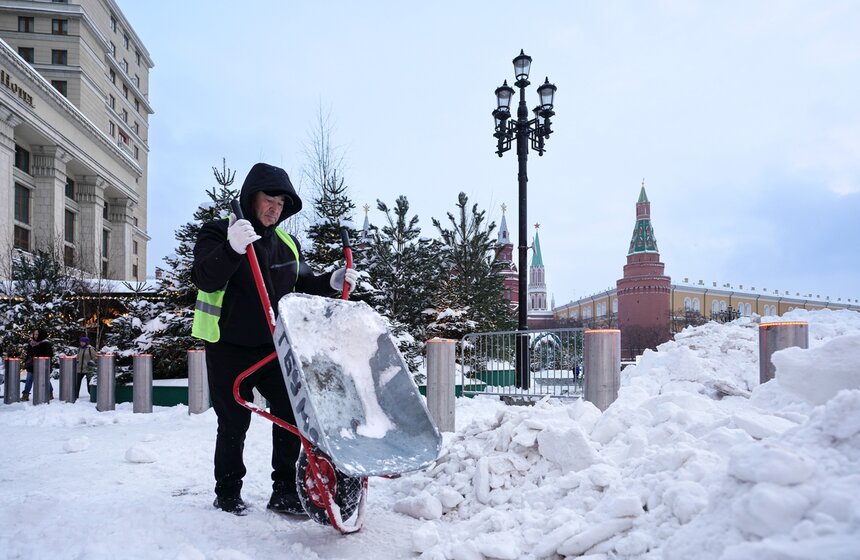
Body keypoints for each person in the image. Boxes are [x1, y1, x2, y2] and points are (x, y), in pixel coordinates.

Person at [191, 162, 357, 516]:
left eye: (282, 203)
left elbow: (303, 283)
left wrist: (332, 280)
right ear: (252, 198)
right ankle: (228, 492)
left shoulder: (287, 244)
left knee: (290, 413)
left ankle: (284, 490)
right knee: (234, 421)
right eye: (269, 199)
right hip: (227, 345)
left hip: (272, 349)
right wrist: (232, 249)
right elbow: (204, 277)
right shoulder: (218, 232)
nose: (275, 209)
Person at [22, 328, 53, 402]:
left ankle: (50, 393)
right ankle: (25, 395)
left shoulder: (46, 344)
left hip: (42, 364)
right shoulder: (31, 343)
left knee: (45, 379)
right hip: (32, 365)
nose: (35, 336)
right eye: (34, 334)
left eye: (37, 334)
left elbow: (48, 355)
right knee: (29, 379)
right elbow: (28, 355)